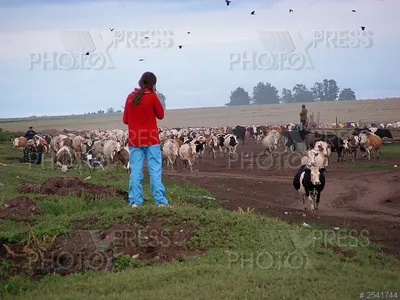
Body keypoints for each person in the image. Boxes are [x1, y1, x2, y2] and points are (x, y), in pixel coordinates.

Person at [122, 71, 169, 208]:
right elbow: (160, 115)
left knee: (135, 170)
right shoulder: (152, 97)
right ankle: (160, 201)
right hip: (151, 139)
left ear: (141, 81)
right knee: (154, 170)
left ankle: (135, 202)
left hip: (135, 140)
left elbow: (125, 120)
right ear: (153, 84)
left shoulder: (130, 97)